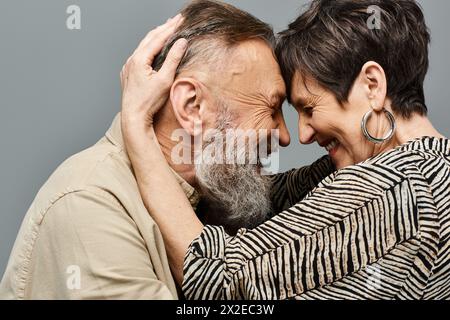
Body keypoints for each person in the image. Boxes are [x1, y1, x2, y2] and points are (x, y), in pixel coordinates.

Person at [0, 1, 333, 299]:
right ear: (192, 106)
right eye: (271, 108)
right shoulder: (89, 204)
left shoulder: (217, 192)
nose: (286, 136)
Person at [121, 0, 450, 299]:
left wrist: (137, 126)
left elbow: (220, 278)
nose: (302, 134)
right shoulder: (434, 165)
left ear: (372, 86)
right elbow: (272, 195)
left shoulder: (395, 189)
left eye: (308, 108)